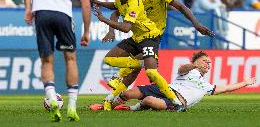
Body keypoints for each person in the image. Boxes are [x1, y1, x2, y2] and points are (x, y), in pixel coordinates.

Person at [92, 0, 214, 111]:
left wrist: (196, 25)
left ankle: (115, 89)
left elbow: (180, 6)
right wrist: (110, 29)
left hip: (153, 34)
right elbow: (116, 10)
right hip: (138, 35)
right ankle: (110, 100)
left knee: (144, 70)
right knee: (135, 69)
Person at [22, 0, 91, 122]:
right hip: (63, 15)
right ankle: (72, 106)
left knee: (47, 60)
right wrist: (86, 31)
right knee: (70, 58)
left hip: (42, 14)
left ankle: (52, 98)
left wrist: (28, 9)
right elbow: (85, 3)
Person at [95, 51, 256, 111]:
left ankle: (131, 109)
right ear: (197, 61)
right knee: (128, 92)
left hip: (178, 101)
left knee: (149, 101)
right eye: (205, 61)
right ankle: (105, 107)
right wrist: (193, 64)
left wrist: (245, 82)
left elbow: (226, 88)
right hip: (166, 89)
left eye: (209, 63)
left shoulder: (206, 86)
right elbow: (181, 69)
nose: (209, 64)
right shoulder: (188, 70)